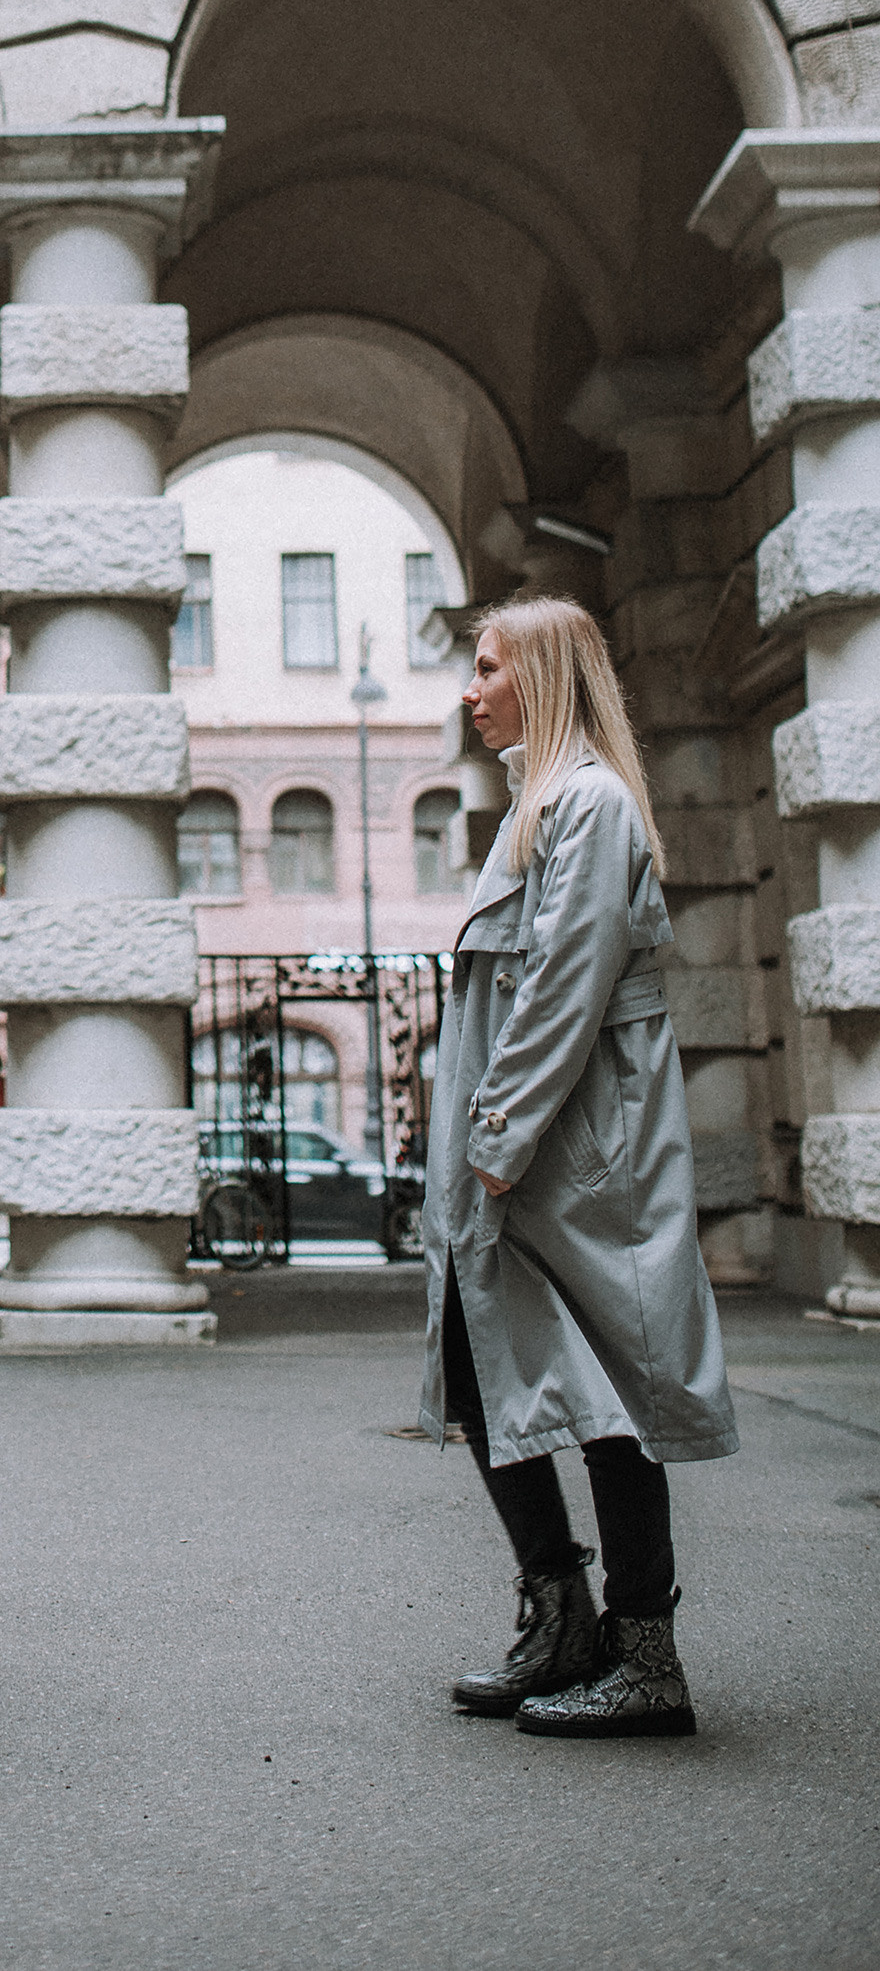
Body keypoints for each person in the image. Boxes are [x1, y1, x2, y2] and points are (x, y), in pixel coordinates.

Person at [422, 597, 737, 1740]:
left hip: (567, 1152)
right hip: (521, 1149)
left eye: (487, 665)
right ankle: (559, 1615)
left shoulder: (585, 803)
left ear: (541, 675)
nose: (471, 687)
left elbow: (564, 985)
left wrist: (495, 1143)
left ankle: (645, 1653)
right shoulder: (537, 807)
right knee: (478, 1372)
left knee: (607, 1390)